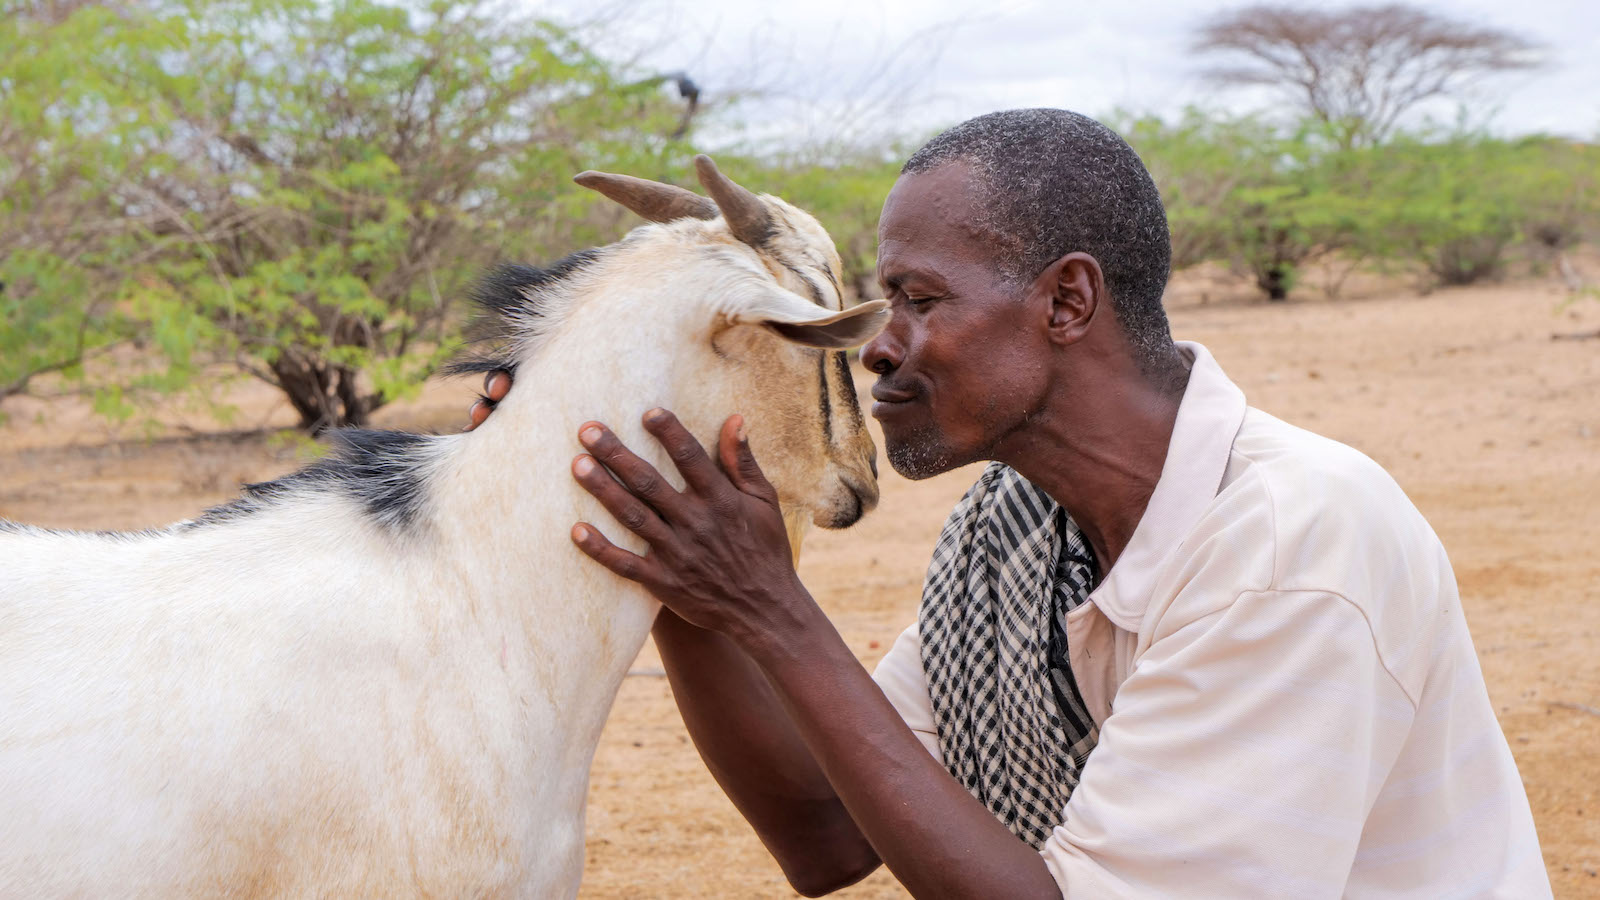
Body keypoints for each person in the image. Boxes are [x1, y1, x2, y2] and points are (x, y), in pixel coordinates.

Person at [467, 109, 1550, 898]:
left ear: (1066, 301)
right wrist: (686, 581)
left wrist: (770, 612)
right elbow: (826, 832)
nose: (880, 344)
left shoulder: (1293, 542)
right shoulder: (1013, 528)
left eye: (919, 299)